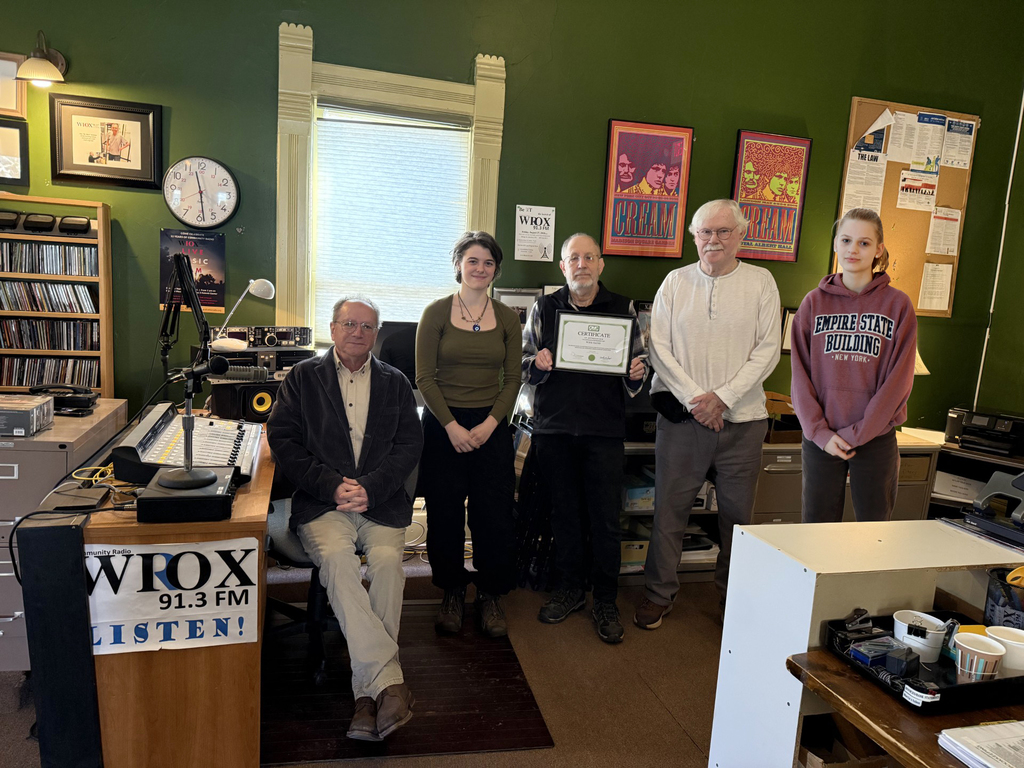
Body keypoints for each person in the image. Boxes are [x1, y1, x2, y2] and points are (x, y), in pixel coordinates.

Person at [267, 297, 422, 742]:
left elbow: (409, 447)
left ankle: (366, 695)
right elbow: (283, 440)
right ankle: (387, 684)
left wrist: (371, 487)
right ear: (333, 329)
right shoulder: (302, 378)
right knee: (337, 560)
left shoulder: (395, 382)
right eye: (350, 324)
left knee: (391, 564)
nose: (358, 332)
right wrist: (331, 485)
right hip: (323, 503)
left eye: (368, 327)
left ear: (376, 334)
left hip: (381, 502)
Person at [634, 199, 780, 630]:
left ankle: (732, 600)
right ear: (693, 237)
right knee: (668, 515)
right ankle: (659, 594)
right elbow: (658, 348)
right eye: (704, 233)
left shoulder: (761, 282)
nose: (713, 240)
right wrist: (700, 400)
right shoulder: (675, 283)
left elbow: (768, 349)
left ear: (741, 234)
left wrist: (726, 398)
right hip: (683, 422)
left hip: (744, 423)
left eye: (722, 231)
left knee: (738, 521)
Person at [523, 232, 648, 644]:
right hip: (554, 430)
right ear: (563, 266)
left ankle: (606, 600)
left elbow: (639, 364)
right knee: (565, 517)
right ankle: (570, 590)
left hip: (603, 431)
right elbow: (524, 363)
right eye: (573, 258)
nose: (581, 264)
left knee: (606, 520)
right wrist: (537, 363)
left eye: (589, 257)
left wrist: (636, 373)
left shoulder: (623, 308)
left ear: (600, 264)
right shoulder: (545, 306)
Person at [415, 231, 522, 637]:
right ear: (458, 264)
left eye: (489, 263)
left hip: (491, 426)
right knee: (444, 515)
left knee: (492, 516)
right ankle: (452, 591)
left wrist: (491, 424)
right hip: (444, 426)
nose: (480, 269)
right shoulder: (437, 313)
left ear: (496, 269)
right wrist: (452, 427)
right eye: (473, 261)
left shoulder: (508, 317)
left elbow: (513, 379)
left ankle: (492, 593)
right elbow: (424, 377)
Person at [790, 207, 917, 523]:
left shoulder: (898, 305)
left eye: (864, 243)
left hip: (875, 439)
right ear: (835, 244)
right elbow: (800, 376)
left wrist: (860, 433)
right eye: (846, 240)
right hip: (822, 439)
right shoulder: (813, 303)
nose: (853, 250)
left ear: (879, 249)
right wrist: (819, 433)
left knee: (873, 533)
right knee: (815, 531)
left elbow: (898, 381)